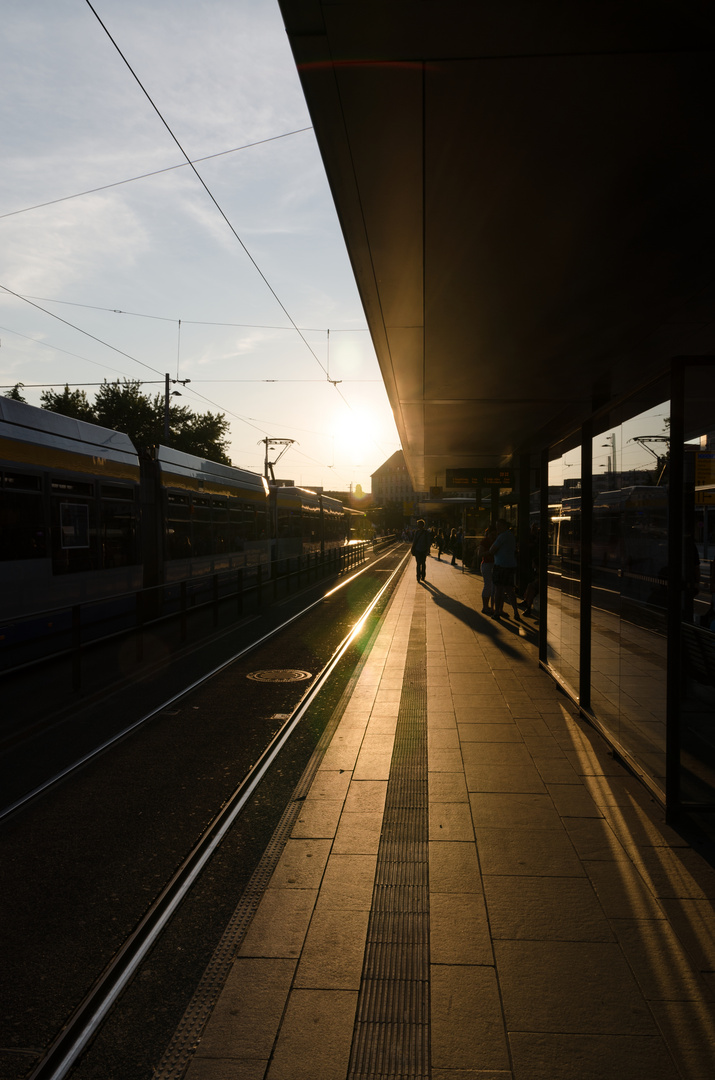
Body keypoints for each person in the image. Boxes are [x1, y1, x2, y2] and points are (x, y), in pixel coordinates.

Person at [490, 518, 520, 621]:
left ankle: (497, 612)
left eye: (499, 526)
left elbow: (492, 550)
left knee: (498, 590)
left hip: (501, 566)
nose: (497, 528)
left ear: (504, 526)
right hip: (510, 565)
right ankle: (516, 612)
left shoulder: (502, 536)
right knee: (509, 590)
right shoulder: (511, 535)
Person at [478, 525, 496, 614]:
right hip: (487, 564)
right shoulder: (485, 541)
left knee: (492, 586)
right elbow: (480, 554)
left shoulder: (495, 540)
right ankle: (485, 607)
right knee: (488, 585)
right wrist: (490, 552)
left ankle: (489, 607)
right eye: (492, 534)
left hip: (493, 564)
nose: (493, 536)